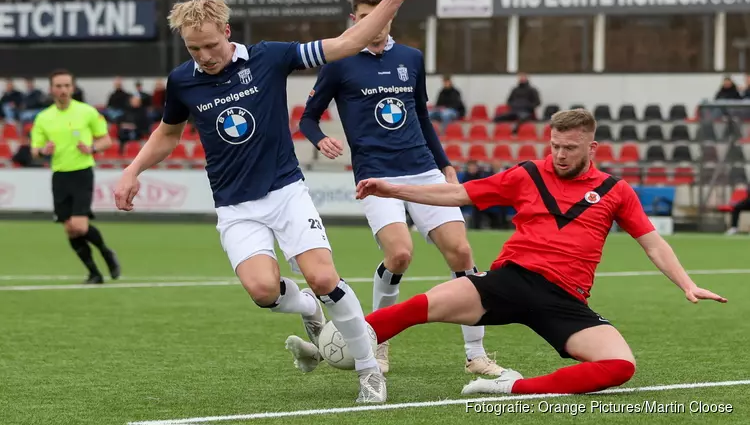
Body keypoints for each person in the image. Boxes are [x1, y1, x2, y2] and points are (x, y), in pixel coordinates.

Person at [113, 0, 420, 404]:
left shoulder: (270, 57)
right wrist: (132, 170)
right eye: (193, 48)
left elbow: (347, 42)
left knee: (323, 277)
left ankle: (370, 371)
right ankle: (311, 312)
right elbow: (167, 133)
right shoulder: (183, 80)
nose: (204, 55)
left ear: (228, 30)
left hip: (285, 192)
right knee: (262, 291)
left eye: (211, 45)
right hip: (235, 206)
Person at [287, 109, 727, 396]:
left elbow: (652, 242)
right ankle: (324, 350)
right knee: (417, 308)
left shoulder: (616, 191)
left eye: (569, 148)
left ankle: (510, 388)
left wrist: (687, 284)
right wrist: (392, 187)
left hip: (565, 300)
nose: (558, 154)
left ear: (592, 148)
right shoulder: (527, 173)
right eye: (554, 144)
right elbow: (457, 192)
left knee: (620, 366)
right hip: (509, 280)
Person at [296, 0, 504, 377]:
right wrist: (320, 138)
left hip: (423, 169)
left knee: (462, 254)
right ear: (354, 19)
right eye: (364, 15)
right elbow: (308, 116)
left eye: (383, 14)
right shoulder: (339, 60)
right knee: (400, 255)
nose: (374, 22)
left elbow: (422, 117)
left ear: (391, 16)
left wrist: (444, 165)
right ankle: (380, 339)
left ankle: (475, 355)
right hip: (376, 176)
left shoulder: (411, 57)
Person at [30, 70, 121, 284]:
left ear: (73, 88)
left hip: (82, 173)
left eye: (66, 86)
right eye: (58, 86)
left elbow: (106, 141)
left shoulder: (87, 112)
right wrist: (44, 151)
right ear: (51, 89)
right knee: (70, 229)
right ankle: (94, 273)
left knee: (79, 225)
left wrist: (91, 148)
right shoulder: (43, 118)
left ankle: (106, 252)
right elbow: (35, 150)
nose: (63, 90)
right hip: (59, 175)